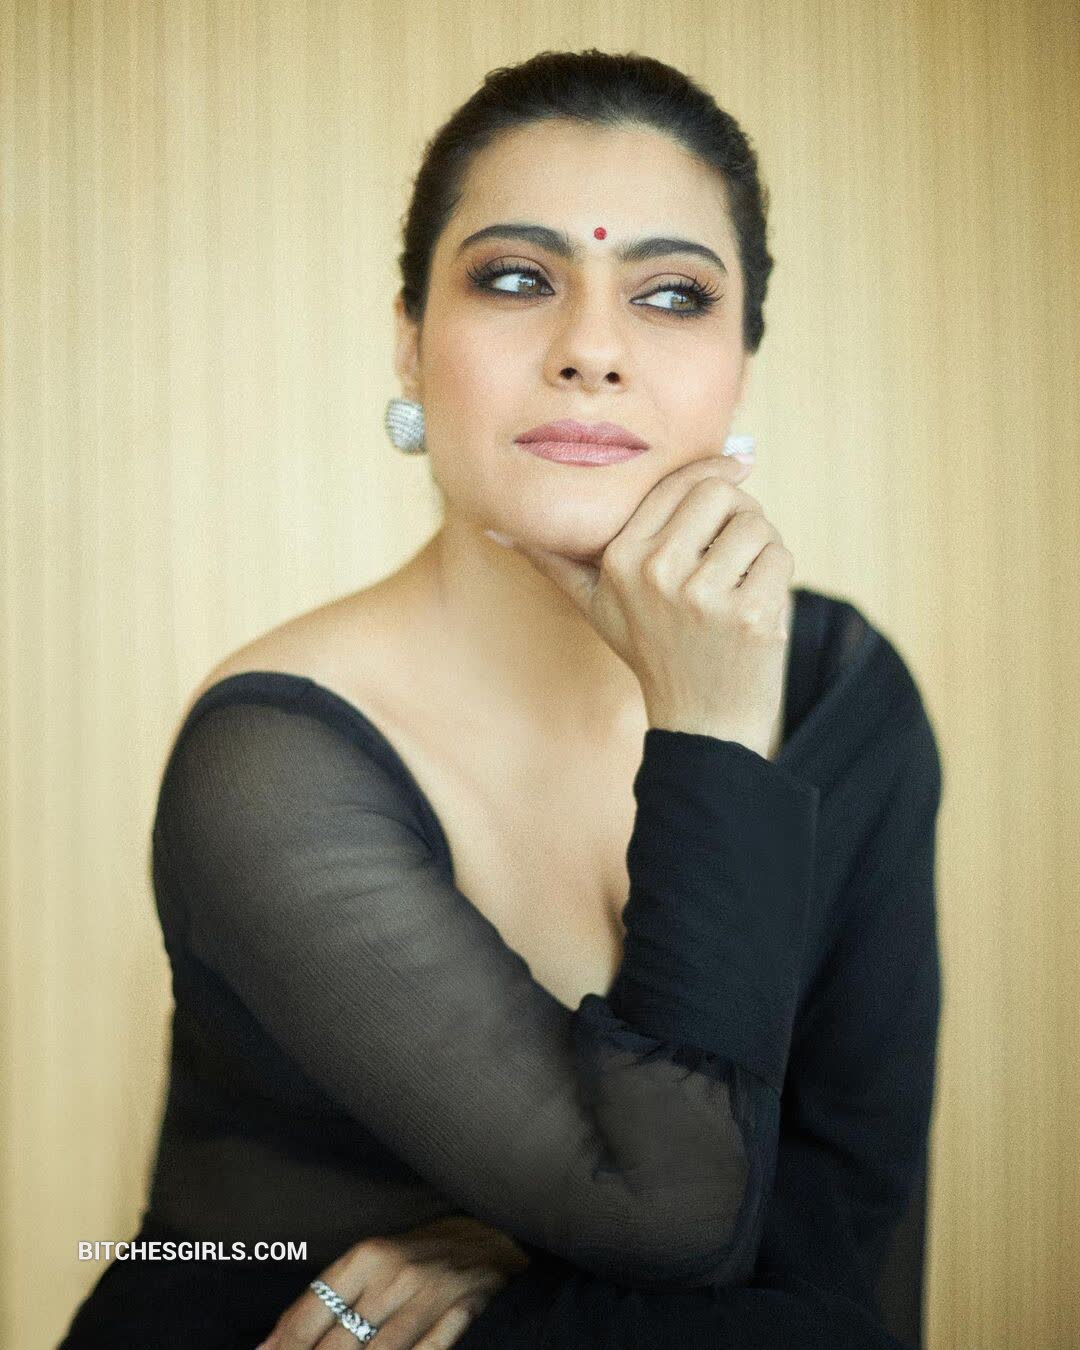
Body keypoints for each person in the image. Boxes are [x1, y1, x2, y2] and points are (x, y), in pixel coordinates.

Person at [58, 49, 943, 1350]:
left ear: (740, 371)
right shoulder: (273, 761)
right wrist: (709, 736)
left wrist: (522, 1258)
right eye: (519, 278)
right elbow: (675, 1221)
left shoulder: (835, 696)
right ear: (411, 345)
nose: (592, 349)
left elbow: (839, 1256)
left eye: (671, 295)